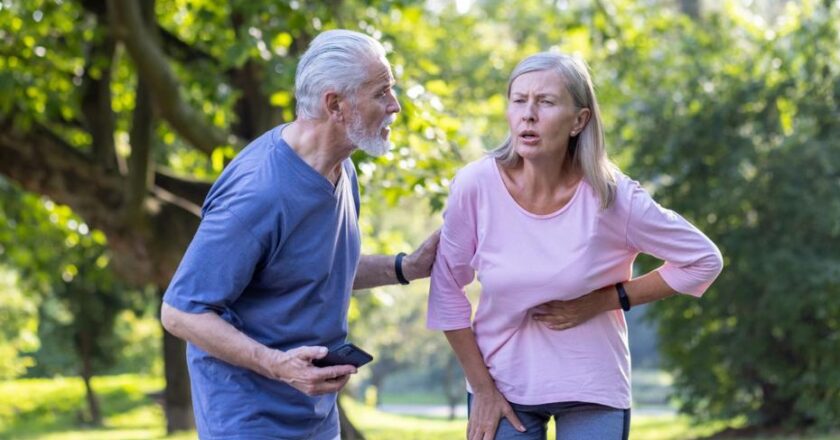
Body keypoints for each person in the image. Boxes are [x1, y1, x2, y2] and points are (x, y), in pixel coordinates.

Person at [427, 52, 723, 440]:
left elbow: (702, 260)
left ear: (579, 120)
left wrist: (602, 301)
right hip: (500, 381)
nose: (528, 115)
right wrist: (481, 387)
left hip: (591, 382)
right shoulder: (476, 185)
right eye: (519, 100)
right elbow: (447, 287)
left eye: (546, 102)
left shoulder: (611, 197)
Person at [160, 29, 440, 440]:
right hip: (248, 420)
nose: (394, 106)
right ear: (335, 105)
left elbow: (316, 268)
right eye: (381, 93)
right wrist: (277, 365)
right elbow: (181, 311)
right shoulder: (259, 193)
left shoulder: (342, 168)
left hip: (313, 416)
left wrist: (406, 267)